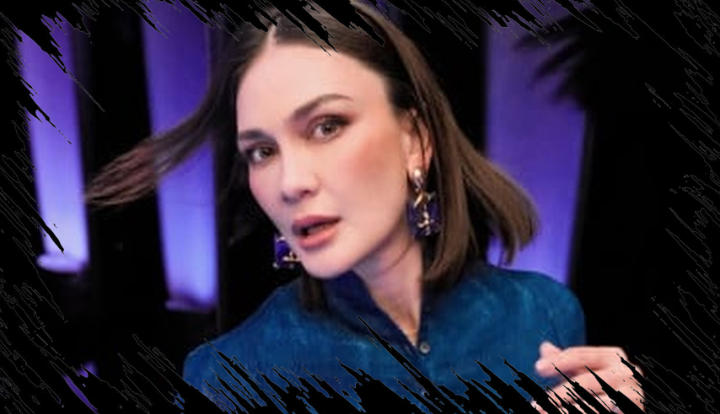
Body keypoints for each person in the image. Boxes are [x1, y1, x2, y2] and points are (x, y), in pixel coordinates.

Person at [85, 2, 644, 413]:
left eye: (327, 126)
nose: (291, 182)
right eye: (262, 151)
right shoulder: (228, 380)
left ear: (415, 141)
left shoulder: (542, 316)